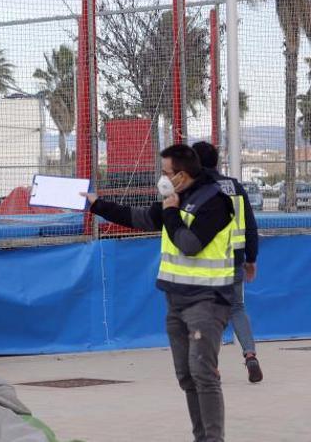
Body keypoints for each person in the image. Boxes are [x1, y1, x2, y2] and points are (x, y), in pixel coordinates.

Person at [81, 144, 235, 442]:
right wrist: (97, 204)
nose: (161, 178)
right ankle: (200, 436)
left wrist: (172, 213)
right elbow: (140, 218)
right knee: (186, 376)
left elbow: (190, 244)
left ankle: (213, 439)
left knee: (203, 373)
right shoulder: (173, 198)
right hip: (176, 299)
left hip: (207, 300)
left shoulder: (214, 201)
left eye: (165, 172)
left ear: (181, 174)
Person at [192, 141, 263, 383]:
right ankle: (250, 354)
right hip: (235, 259)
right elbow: (250, 225)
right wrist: (251, 258)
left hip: (207, 262)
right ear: (217, 162)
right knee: (237, 308)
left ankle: (211, 366)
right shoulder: (235, 187)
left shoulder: (196, 189)